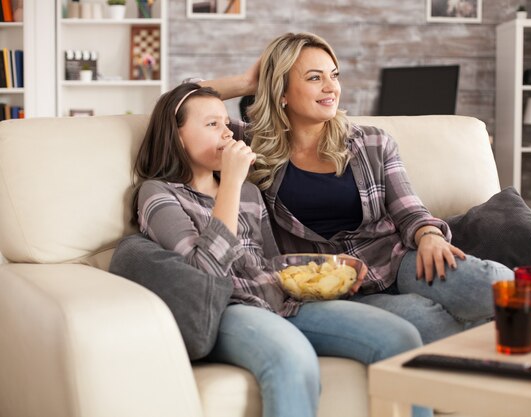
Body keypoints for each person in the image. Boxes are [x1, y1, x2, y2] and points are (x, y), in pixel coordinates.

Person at [197, 32, 514, 346]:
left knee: (493, 284)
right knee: (429, 322)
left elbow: (409, 209)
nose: (330, 86)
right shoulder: (251, 146)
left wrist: (429, 236)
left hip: (393, 260)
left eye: (333, 75)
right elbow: (177, 108)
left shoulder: (373, 142)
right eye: (314, 77)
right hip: (334, 290)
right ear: (282, 92)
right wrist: (246, 82)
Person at [132, 82, 428, 417]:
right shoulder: (159, 194)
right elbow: (205, 275)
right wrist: (229, 182)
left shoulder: (247, 192)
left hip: (281, 302)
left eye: (226, 123)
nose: (227, 133)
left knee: (400, 339)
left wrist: (327, 268)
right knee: (292, 358)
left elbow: (269, 263)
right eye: (211, 124)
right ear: (176, 134)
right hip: (228, 310)